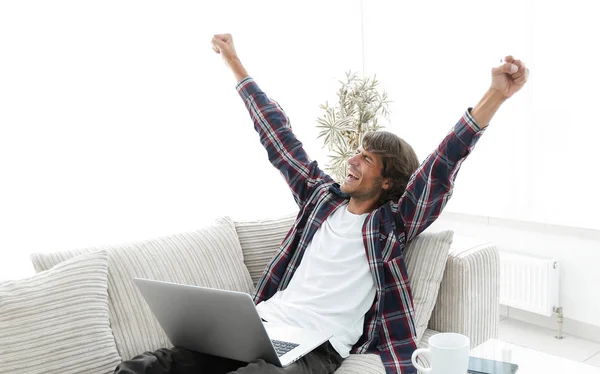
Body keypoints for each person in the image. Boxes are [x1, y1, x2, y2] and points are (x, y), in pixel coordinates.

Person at [114, 33, 529, 374]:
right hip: (262, 326)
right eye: (357, 151)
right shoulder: (319, 199)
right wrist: (235, 63)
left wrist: (494, 95)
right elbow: (278, 137)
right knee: (152, 366)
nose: (352, 159)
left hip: (316, 348)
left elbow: (443, 163)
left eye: (367, 158)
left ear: (387, 181)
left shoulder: (392, 223)